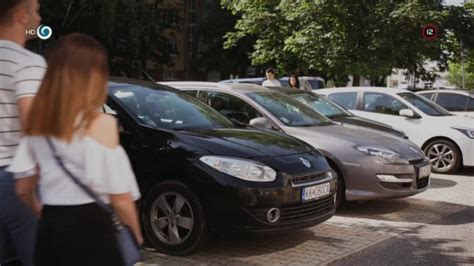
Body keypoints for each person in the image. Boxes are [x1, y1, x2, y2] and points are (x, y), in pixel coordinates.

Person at [7, 33, 143, 266]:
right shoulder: (102, 123)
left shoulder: (38, 125)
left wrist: (43, 213)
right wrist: (137, 237)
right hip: (94, 233)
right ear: (92, 78)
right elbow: (120, 197)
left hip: (50, 232)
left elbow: (22, 188)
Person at [0, 0, 45, 265]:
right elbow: (33, 125)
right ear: (21, 16)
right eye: (36, 11)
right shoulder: (29, 62)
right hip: (17, 178)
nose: (39, 19)